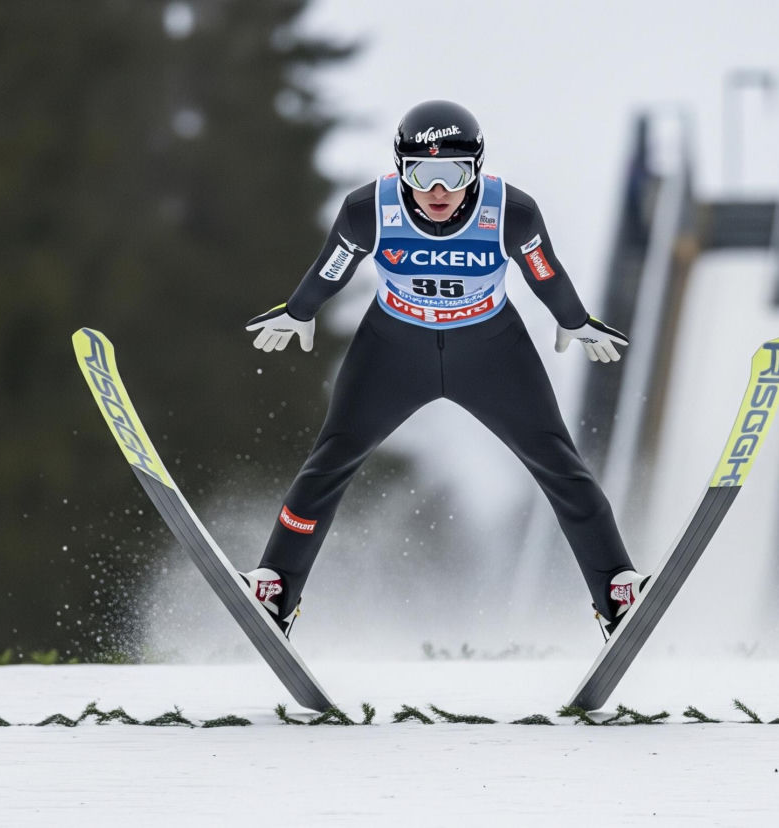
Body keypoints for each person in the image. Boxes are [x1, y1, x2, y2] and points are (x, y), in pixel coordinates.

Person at [242, 100, 646, 640]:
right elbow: (332, 266)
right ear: (399, 170)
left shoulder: (510, 212)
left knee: (558, 463)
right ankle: (277, 587)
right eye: (420, 173)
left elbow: (544, 271)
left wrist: (574, 321)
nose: (437, 190)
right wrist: (300, 310)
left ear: (475, 169)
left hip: (490, 352)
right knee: (330, 460)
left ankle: (616, 590)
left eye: (453, 174)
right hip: (393, 351)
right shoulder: (369, 210)